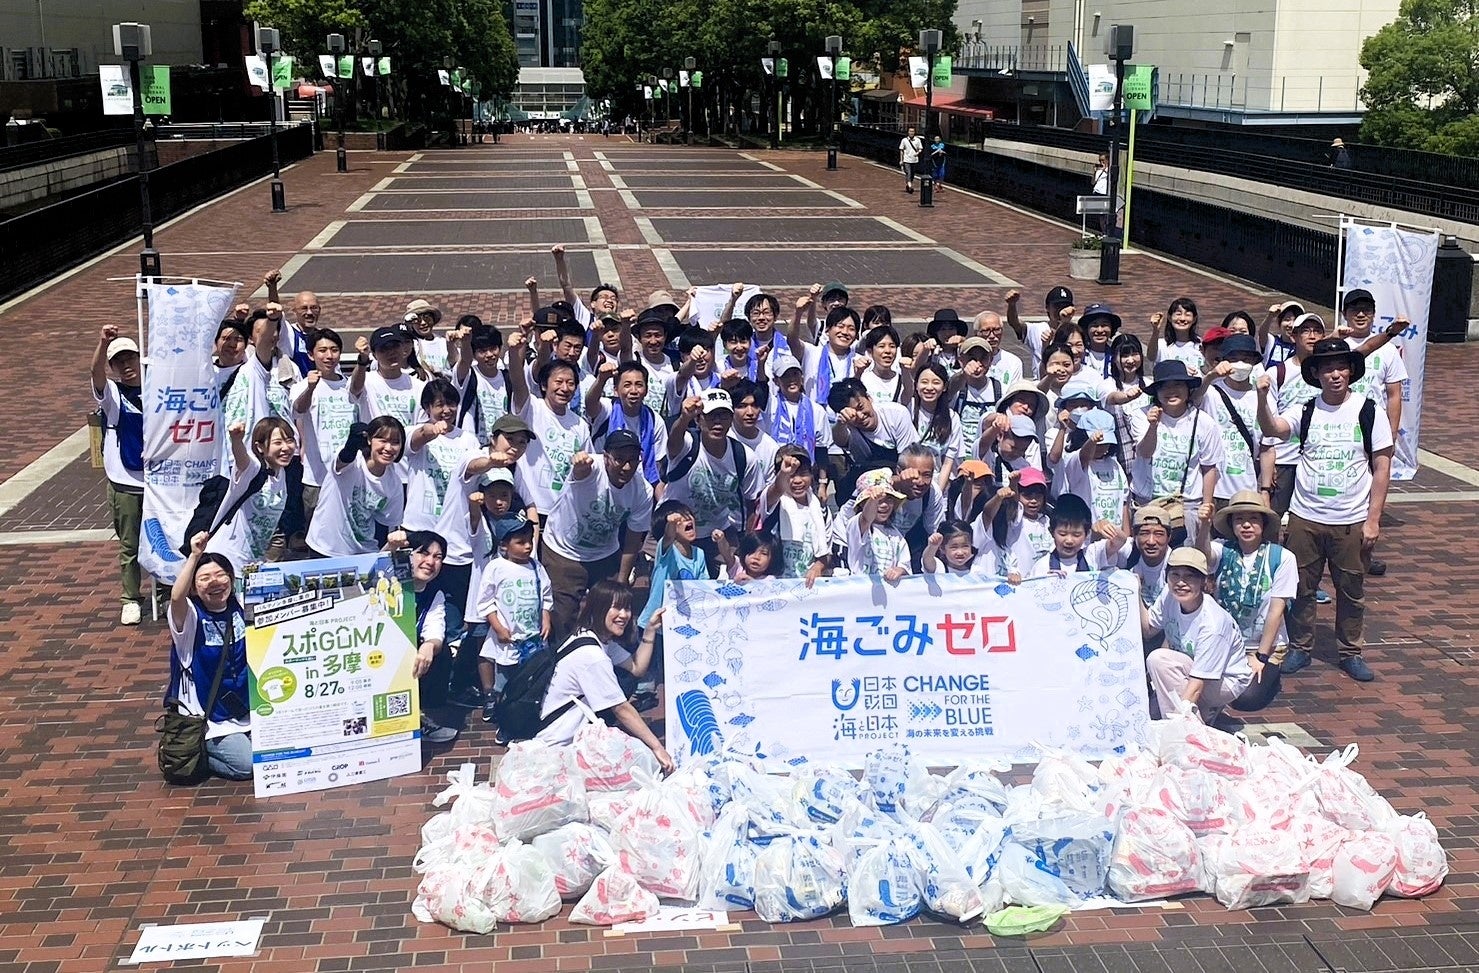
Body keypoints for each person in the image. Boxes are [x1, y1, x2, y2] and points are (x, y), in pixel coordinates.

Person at [1256, 338, 1394, 682]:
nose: (1335, 374)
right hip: (1306, 516)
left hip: (1350, 517)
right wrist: (1261, 397)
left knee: (1351, 588)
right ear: (1315, 373)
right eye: (1327, 367)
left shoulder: (1368, 409)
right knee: (1301, 586)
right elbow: (1273, 429)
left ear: (1351, 371)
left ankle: (1350, 651)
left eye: (1341, 367)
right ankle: (1301, 647)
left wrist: (1373, 519)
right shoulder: (1306, 409)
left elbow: (1382, 465)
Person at [536, 583, 674, 773]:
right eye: (616, 608)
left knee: (626, 680)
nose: (624, 615)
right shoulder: (592, 656)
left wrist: (650, 629)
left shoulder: (589, 636)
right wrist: (657, 747)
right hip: (559, 745)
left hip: (558, 734)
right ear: (598, 609)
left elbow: (636, 668)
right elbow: (621, 709)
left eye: (627, 608)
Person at [541, 435, 653, 642]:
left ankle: (607, 657)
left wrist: (621, 580)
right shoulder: (591, 470)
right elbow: (580, 472)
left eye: (633, 460)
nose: (627, 467)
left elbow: (633, 539)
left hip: (605, 554)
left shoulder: (643, 490)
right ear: (606, 458)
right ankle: (561, 662)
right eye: (620, 459)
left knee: (611, 610)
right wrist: (579, 466)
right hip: (564, 551)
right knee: (563, 616)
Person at [1199, 490, 1295, 715]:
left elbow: (1276, 610)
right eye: (1239, 520)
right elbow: (1202, 556)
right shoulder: (1224, 550)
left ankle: (1272, 673)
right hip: (1226, 642)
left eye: (1253, 519)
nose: (1246, 526)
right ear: (1231, 525)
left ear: (1263, 524)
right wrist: (1204, 525)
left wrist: (1261, 657)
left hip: (1263, 646)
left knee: (1247, 699)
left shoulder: (1282, 558)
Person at [166, 531, 252, 780]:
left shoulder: (241, 607)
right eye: (204, 578)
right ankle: (196, 752)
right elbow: (176, 596)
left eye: (220, 575)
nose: (214, 582)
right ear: (194, 586)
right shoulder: (190, 618)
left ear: (231, 578)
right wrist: (194, 556)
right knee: (247, 766)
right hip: (209, 720)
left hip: (246, 709)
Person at [1141, 548, 1253, 725]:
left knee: (1159, 661)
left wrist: (1176, 724)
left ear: (1203, 581)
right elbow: (1148, 629)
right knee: (1149, 715)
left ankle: (1192, 731)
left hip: (1225, 680)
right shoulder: (1169, 596)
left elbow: (1197, 684)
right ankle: (1200, 713)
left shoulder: (1213, 623)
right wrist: (1135, 593)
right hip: (1192, 667)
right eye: (1175, 575)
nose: (1180, 583)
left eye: (1190, 577)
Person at [663, 388, 763, 573]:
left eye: (724, 416)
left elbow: (752, 504)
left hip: (717, 531)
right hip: (672, 528)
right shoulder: (687, 445)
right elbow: (673, 443)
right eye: (711, 416)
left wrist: (749, 540)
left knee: (737, 576)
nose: (717, 422)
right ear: (699, 419)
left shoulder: (745, 457)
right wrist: (684, 418)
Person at [475, 515, 553, 725]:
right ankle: (494, 698)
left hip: (532, 633)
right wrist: (498, 627)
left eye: (530, 540)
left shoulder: (536, 567)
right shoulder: (496, 567)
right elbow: (485, 601)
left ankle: (523, 704)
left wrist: (545, 617)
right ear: (504, 545)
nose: (528, 546)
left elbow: (545, 594)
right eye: (520, 542)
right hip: (506, 632)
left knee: (529, 671)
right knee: (502, 669)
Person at [91, 325, 145, 625]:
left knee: (163, 542)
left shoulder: (159, 390)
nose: (126, 366)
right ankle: (131, 598)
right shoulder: (111, 394)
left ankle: (165, 592)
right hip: (125, 484)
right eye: (119, 361)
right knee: (130, 545)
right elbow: (95, 375)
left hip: (158, 482)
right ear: (112, 367)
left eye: (131, 359)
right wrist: (102, 344)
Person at [1137, 360, 1222, 545]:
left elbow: (1209, 467)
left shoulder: (1204, 422)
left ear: (1188, 388)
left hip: (1188, 504)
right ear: (1156, 392)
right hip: (1150, 500)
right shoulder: (1142, 415)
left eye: (1177, 385)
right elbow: (1144, 452)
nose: (1171, 391)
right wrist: (1153, 426)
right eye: (1164, 386)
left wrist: (1207, 505)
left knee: (1188, 562)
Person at [304, 417, 407, 557]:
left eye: (395, 442)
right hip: (326, 546)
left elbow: (389, 525)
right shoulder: (354, 461)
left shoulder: (394, 484)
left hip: (363, 551)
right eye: (382, 440)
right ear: (370, 440)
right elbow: (343, 460)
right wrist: (351, 446)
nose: (388, 448)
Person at [205, 418, 298, 572]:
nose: (286, 448)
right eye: (278, 443)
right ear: (260, 447)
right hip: (226, 559)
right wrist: (236, 440)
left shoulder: (280, 473)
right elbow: (242, 460)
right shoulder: (254, 469)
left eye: (289, 441)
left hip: (252, 563)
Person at [290, 328, 355, 540]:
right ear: (311, 355)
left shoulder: (351, 386)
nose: (329, 356)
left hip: (351, 473)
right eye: (323, 350)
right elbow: (298, 410)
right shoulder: (301, 386)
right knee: (318, 537)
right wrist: (310, 388)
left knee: (350, 533)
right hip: (316, 477)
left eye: (334, 350)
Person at [406, 530, 459, 744]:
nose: (430, 561)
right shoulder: (389, 579)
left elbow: (435, 630)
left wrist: (429, 646)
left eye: (438, 557)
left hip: (406, 653)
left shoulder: (434, 593)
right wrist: (390, 548)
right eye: (423, 553)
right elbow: (372, 572)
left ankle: (417, 718)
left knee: (441, 651)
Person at [760, 446, 829, 582]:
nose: (797, 480)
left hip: (807, 587)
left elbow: (825, 555)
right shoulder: (772, 501)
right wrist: (784, 473)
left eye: (803, 473)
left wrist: (817, 568)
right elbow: (778, 488)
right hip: (773, 583)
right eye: (791, 475)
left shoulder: (821, 510)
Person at [844, 468, 911, 583]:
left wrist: (899, 570)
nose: (884, 505)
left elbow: (905, 565)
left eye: (889, 499)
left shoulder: (896, 534)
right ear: (862, 504)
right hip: (861, 590)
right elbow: (866, 518)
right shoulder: (856, 525)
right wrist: (873, 500)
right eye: (879, 501)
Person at [712, 528, 782, 582]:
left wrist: (751, 582)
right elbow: (726, 553)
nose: (756, 557)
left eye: (764, 553)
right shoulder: (737, 567)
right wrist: (721, 539)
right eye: (752, 551)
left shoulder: (770, 580)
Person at [899, 125, 924, 194]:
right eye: (910, 131)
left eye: (913, 131)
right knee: (908, 172)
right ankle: (910, 186)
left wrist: (918, 153)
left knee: (912, 174)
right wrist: (901, 160)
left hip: (915, 159)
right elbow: (901, 150)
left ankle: (908, 184)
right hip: (906, 159)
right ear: (908, 132)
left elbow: (920, 148)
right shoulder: (904, 140)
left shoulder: (917, 140)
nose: (911, 132)